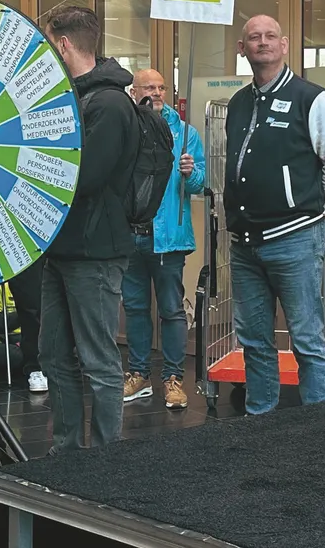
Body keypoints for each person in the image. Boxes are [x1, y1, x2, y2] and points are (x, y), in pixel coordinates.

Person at [223, 15, 325, 417]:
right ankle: (260, 421)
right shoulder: (239, 103)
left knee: (307, 339)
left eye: (269, 36)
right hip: (245, 245)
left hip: (294, 241)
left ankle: (318, 431)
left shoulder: (313, 99)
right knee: (255, 341)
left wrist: (314, 208)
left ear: (284, 46)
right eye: (252, 38)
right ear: (242, 49)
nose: (261, 43)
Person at [39, 6, 138, 453]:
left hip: (95, 252)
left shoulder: (111, 104)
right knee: (53, 356)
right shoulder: (76, 98)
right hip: (62, 248)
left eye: (49, 43)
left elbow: (87, 177)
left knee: (98, 360)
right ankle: (66, 451)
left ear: (63, 44)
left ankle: (103, 458)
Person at [122, 70, 205, 410]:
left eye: (160, 87)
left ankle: (173, 379)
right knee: (135, 308)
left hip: (168, 236)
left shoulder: (185, 134)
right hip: (130, 234)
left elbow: (201, 184)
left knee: (171, 310)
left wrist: (192, 172)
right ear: (134, 91)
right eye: (149, 88)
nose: (156, 93)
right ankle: (138, 374)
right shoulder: (124, 126)